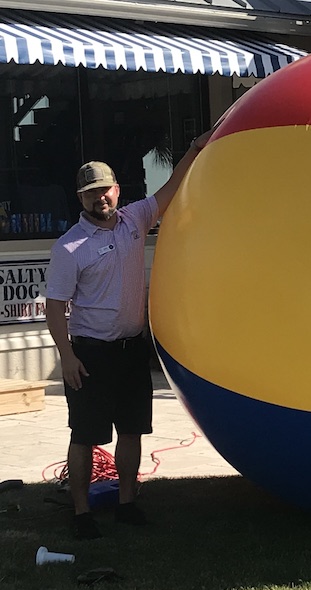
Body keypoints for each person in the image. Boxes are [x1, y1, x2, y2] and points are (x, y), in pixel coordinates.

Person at [45, 130, 213, 540]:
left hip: (131, 350)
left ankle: (126, 504)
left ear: (117, 190)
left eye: (104, 190)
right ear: (80, 199)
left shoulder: (136, 218)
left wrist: (194, 148)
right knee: (85, 435)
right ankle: (82, 513)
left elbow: (171, 191)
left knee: (133, 430)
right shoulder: (70, 248)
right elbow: (54, 307)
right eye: (90, 194)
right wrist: (67, 357)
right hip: (91, 354)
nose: (99, 198)